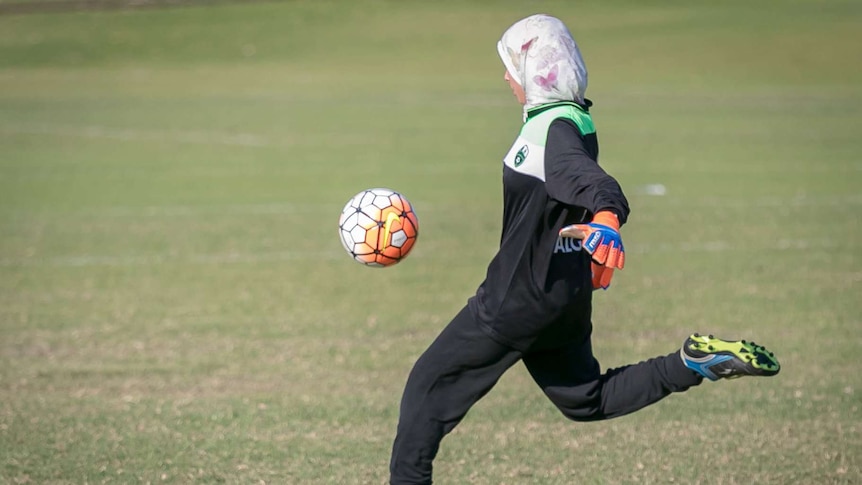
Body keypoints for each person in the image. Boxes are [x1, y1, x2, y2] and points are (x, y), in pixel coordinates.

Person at [388, 14, 780, 484]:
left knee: (425, 393)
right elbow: (570, 193)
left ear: (536, 74)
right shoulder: (574, 119)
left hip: (515, 302)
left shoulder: (551, 130)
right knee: (586, 398)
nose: (506, 78)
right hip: (562, 300)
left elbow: (591, 183)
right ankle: (691, 362)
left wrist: (607, 219)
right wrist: (592, 238)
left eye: (512, 68)